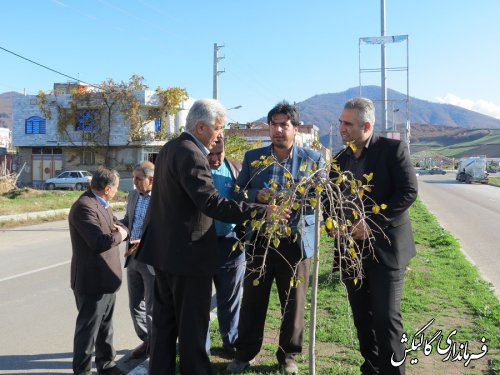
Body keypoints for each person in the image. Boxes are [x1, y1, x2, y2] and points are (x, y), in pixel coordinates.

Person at [135, 99, 280, 375]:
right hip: (188, 259)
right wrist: (261, 212)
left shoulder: (169, 148)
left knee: (164, 326)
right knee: (192, 328)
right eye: (217, 128)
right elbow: (211, 203)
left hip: (165, 255)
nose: (219, 136)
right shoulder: (191, 153)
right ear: (201, 127)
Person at [227, 101, 324, 374]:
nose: (279, 130)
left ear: (295, 128)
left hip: (294, 243)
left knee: (293, 302)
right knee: (253, 300)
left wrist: (292, 200)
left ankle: (289, 356)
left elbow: (319, 197)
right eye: (274, 124)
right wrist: (256, 195)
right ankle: (244, 353)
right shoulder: (253, 157)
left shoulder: (312, 160)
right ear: (268, 127)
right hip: (260, 241)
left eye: (285, 125)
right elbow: (239, 192)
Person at [330, 97, 418, 375]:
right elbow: (331, 201)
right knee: (362, 318)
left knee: (386, 318)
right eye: (341, 122)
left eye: (347, 123)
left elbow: (407, 191)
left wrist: (371, 223)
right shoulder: (338, 160)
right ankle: (371, 368)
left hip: (386, 249)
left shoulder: (393, 150)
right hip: (351, 252)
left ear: (366, 126)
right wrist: (331, 223)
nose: (341, 128)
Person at [69, 166, 128, 375]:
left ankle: (106, 364)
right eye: (116, 188)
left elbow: (115, 224)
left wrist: (123, 229)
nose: (116, 192)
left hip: (107, 279)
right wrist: (121, 235)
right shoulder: (84, 207)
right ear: (107, 188)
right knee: (88, 331)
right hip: (91, 281)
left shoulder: (102, 204)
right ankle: (82, 371)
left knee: (105, 327)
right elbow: (98, 242)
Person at [205, 139, 245, 358]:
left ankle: (231, 345)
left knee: (230, 300)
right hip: (201, 245)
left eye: (218, 153)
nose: (215, 158)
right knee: (200, 301)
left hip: (231, 243)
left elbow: (244, 201)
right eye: (210, 153)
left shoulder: (235, 169)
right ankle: (202, 350)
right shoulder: (196, 171)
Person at [120, 161, 155, 359]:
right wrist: (118, 227)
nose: (134, 183)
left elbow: (165, 229)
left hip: (150, 259)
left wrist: (145, 241)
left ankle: (155, 343)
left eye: (138, 179)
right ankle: (146, 339)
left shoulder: (162, 198)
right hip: (132, 257)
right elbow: (128, 220)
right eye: (133, 178)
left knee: (152, 305)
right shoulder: (133, 195)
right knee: (135, 304)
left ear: (151, 179)